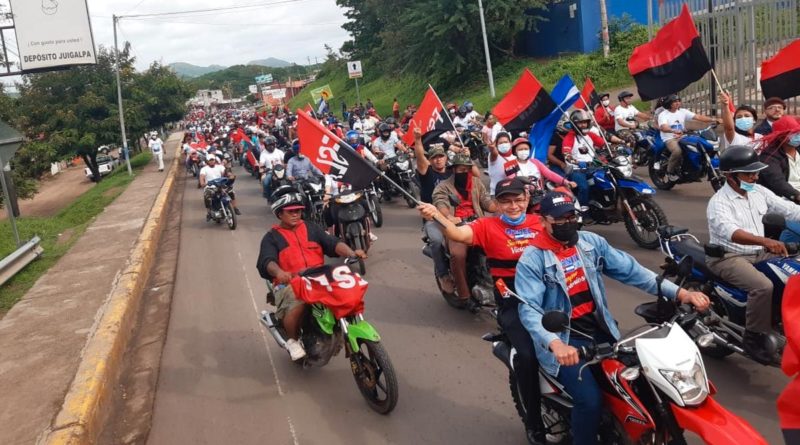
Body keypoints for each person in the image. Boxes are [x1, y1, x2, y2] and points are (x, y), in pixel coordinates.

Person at [516, 191, 710, 445]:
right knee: (589, 401)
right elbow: (529, 310)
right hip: (566, 337)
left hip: (601, 330)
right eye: (560, 219)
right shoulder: (532, 259)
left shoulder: (590, 243)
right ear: (543, 222)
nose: (568, 222)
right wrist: (556, 344)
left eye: (572, 216)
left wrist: (681, 293)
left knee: (647, 386)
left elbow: (633, 272)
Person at [417, 178, 548, 444]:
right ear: (498, 204)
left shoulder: (540, 223)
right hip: (514, 302)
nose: (513, 206)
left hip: (551, 297)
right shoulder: (486, 225)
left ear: (527, 199)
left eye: (518, 200)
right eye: (506, 201)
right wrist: (436, 216)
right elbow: (457, 234)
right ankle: (534, 422)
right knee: (527, 357)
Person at [706, 145, 800, 365]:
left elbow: (788, 208)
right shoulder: (719, 202)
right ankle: (754, 338)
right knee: (762, 287)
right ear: (731, 176)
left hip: (758, 253)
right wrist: (766, 241)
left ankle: (782, 321)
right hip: (728, 257)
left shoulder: (758, 191)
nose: (755, 176)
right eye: (749, 173)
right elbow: (732, 233)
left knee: (793, 274)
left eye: (756, 172)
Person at [256, 192, 367, 360]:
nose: (296, 214)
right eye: (290, 211)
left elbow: (333, 243)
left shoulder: (311, 228)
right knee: (299, 301)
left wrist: (352, 252)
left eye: (298, 211)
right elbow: (266, 261)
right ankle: (292, 341)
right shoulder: (271, 237)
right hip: (290, 282)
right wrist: (279, 272)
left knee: (346, 291)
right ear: (280, 213)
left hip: (318, 278)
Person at [431, 154, 495, 304]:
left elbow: (487, 202)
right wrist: (449, 217)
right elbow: (441, 203)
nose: (464, 172)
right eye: (461, 169)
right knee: (458, 255)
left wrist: (502, 206)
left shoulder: (477, 183)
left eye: (467, 169)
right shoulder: (443, 187)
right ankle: (464, 294)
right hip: (456, 227)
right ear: (454, 170)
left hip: (479, 225)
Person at [413, 128, 454, 292]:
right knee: (437, 242)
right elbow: (420, 158)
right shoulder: (427, 173)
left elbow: (473, 174)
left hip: (456, 217)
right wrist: (417, 140)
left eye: (441, 156)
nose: (438, 160)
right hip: (433, 219)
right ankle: (443, 274)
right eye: (434, 158)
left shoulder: (453, 173)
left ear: (446, 157)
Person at [657, 94, 720, 182]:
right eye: (675, 101)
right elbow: (663, 127)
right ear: (669, 103)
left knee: (699, 145)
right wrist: (673, 130)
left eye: (679, 101)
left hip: (683, 136)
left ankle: (694, 168)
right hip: (670, 138)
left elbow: (698, 117)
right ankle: (669, 172)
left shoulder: (683, 111)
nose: (678, 103)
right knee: (677, 151)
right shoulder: (664, 115)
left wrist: (713, 120)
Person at [511, 138, 576, 194]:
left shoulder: (535, 162)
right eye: (520, 149)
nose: (523, 151)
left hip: (539, 195)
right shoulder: (511, 165)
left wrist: (566, 182)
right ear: (515, 152)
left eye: (526, 149)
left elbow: (550, 174)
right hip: (521, 197)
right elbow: (512, 181)